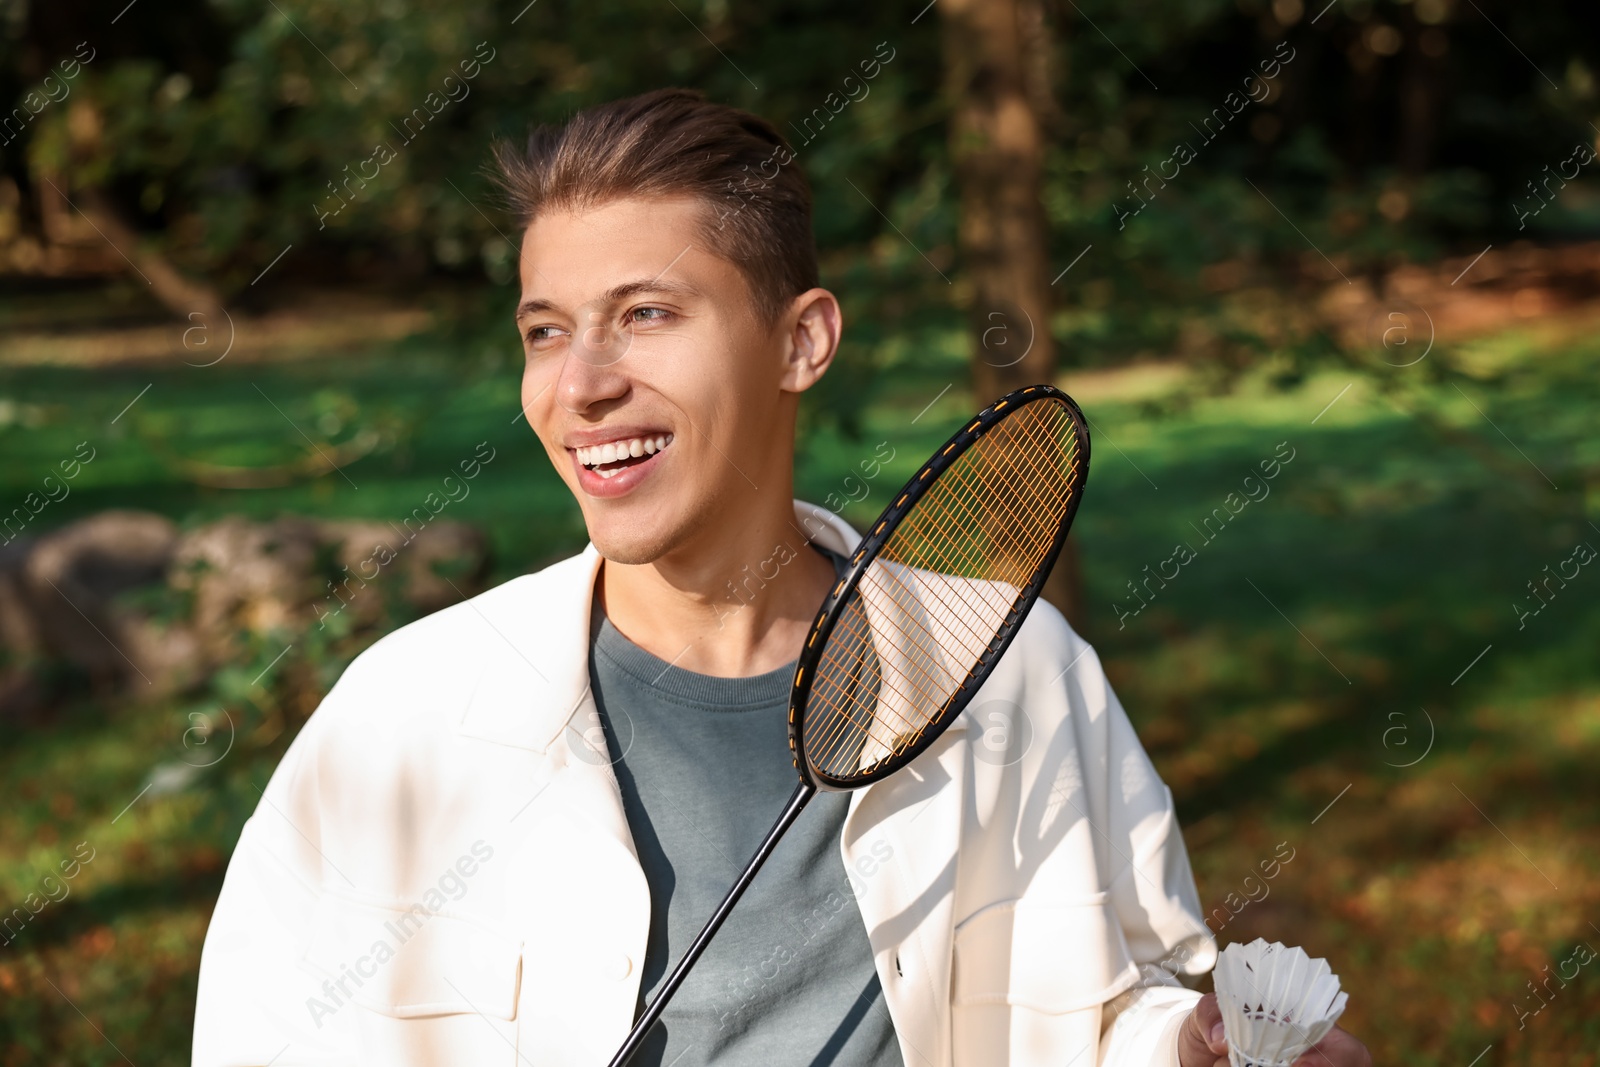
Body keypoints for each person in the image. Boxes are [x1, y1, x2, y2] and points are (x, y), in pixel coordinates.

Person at [192, 88, 1370, 1067]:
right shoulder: (402, 717)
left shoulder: (1019, 677)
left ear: (801, 341)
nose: (579, 384)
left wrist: (1194, 1047)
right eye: (545, 330)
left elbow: (1120, 1003)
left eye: (645, 313)